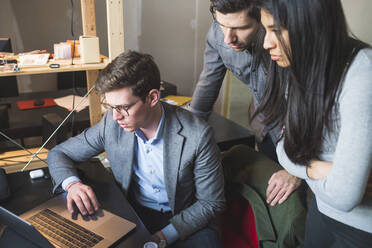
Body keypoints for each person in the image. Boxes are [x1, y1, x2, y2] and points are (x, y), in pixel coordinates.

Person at [47, 51, 225, 248]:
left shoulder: (198, 135)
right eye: (110, 106)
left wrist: (162, 237)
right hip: (133, 212)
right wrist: (72, 185)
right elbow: (60, 153)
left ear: (152, 97)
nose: (116, 117)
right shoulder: (111, 123)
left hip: (185, 219)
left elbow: (210, 203)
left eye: (123, 108)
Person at [258, 0, 372, 247]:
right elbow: (283, 149)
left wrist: (301, 166)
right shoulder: (297, 67)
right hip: (321, 211)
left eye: (276, 30)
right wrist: (321, 169)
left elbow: (345, 195)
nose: (267, 43)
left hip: (362, 228)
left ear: (311, 25)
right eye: (265, 30)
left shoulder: (363, 72)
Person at [189, 0, 301, 206]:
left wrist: (297, 169)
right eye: (222, 25)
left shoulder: (288, 41)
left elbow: (312, 110)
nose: (228, 38)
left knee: (297, 200)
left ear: (264, 17)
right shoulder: (218, 34)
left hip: (303, 137)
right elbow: (208, 83)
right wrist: (187, 137)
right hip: (264, 127)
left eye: (241, 28)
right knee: (273, 194)